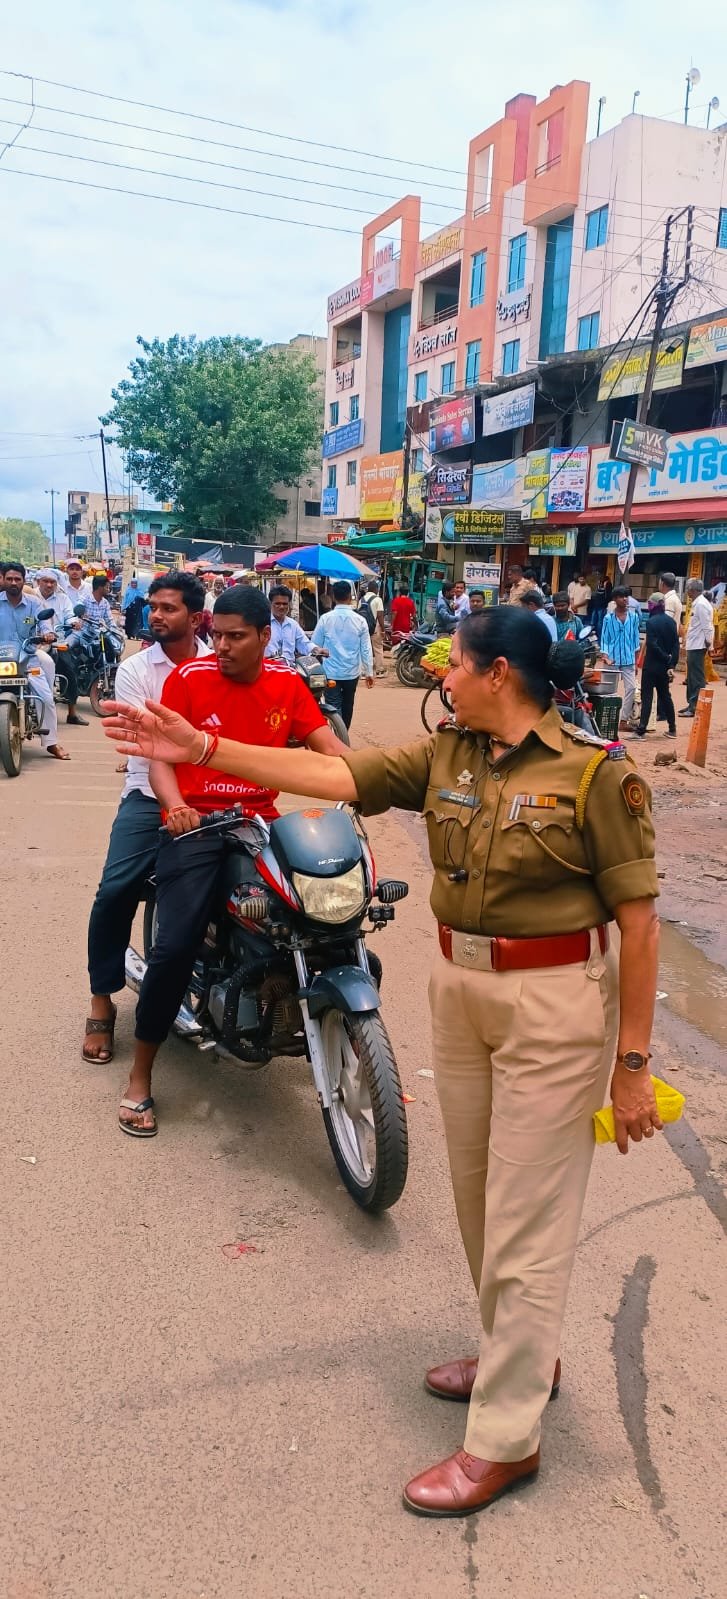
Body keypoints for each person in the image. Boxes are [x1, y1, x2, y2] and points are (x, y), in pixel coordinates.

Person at [104, 606, 662, 1513]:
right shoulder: (449, 754)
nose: (442, 676)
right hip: (462, 987)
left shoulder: (596, 773)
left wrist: (631, 1063)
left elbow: (638, 924)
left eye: (456, 664)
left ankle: (505, 1440)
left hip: (556, 998)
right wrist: (202, 748)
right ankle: (520, 1353)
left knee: (526, 1211)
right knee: (479, 1197)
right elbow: (331, 772)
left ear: (499, 674)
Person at [109, 585, 345, 1135]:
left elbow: (329, 750)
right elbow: (160, 757)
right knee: (175, 944)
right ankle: (140, 1075)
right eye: (216, 635)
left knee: (317, 914)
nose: (222, 647)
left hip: (260, 823)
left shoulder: (287, 683)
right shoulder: (188, 678)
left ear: (265, 635)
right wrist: (175, 807)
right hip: (197, 822)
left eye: (236, 637)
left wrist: (365, 780)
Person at [83, 573, 211, 1065]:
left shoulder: (216, 663)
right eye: (154, 606)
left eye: (168, 608)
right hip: (147, 794)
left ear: (195, 618)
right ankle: (101, 998)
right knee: (115, 891)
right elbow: (153, 741)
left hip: (211, 794)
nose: (156, 615)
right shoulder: (136, 669)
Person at [0, 561, 69, 759]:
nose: (13, 582)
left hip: (27, 658)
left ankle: (51, 743)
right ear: (3, 580)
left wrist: (48, 634)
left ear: (24, 581)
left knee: (45, 697)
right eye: (9, 579)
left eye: (17, 579)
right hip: (2, 659)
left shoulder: (34, 604)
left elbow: (45, 624)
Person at [310, 580, 374, 729]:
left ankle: (338, 734)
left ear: (333, 597)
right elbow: (366, 648)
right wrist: (369, 672)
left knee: (333, 705)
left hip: (331, 672)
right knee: (348, 705)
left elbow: (315, 645)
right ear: (350, 597)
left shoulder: (325, 619)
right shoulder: (360, 620)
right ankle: (343, 733)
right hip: (352, 673)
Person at [34, 569, 88, 726]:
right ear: (38, 582)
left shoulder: (62, 598)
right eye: (45, 581)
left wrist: (74, 622)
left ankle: (72, 713)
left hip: (57, 642)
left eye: (52, 582)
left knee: (70, 671)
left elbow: (70, 615)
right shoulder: (31, 596)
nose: (49, 585)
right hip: (34, 643)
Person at [631, 594, 679, 740]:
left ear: (654, 605)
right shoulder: (671, 622)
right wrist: (671, 663)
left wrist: (665, 657)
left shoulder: (651, 622)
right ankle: (672, 729)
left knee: (647, 697)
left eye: (650, 603)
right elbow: (675, 645)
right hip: (664, 667)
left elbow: (652, 644)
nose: (649, 606)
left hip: (651, 665)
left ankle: (641, 730)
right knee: (665, 696)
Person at [600, 586, 641, 729]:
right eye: (621, 596)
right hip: (612, 659)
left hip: (629, 659)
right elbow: (604, 639)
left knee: (631, 688)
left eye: (626, 596)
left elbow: (636, 640)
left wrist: (636, 662)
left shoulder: (634, 617)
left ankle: (623, 720)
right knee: (609, 691)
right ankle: (606, 720)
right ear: (615, 599)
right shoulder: (608, 618)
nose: (624, 599)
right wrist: (605, 656)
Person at [679, 577, 715, 717]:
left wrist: (710, 646)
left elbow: (708, 627)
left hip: (698, 646)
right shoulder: (698, 603)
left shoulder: (701, 605)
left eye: (688, 589)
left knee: (696, 677)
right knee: (691, 676)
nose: (687, 592)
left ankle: (696, 706)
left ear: (692, 590)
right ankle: (691, 703)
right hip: (694, 644)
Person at [265, 584, 311, 666]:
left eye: (285, 604)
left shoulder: (293, 624)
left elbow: (304, 643)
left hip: (289, 669)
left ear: (289, 604)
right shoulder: (263, 623)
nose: (281, 607)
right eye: (277, 604)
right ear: (270, 603)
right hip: (269, 668)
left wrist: (316, 649)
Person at [360, 580, 386, 676]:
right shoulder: (378, 599)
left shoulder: (362, 599)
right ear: (376, 589)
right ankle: (379, 670)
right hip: (374, 628)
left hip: (363, 628)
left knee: (364, 649)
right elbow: (380, 616)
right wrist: (383, 630)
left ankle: (363, 672)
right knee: (378, 648)